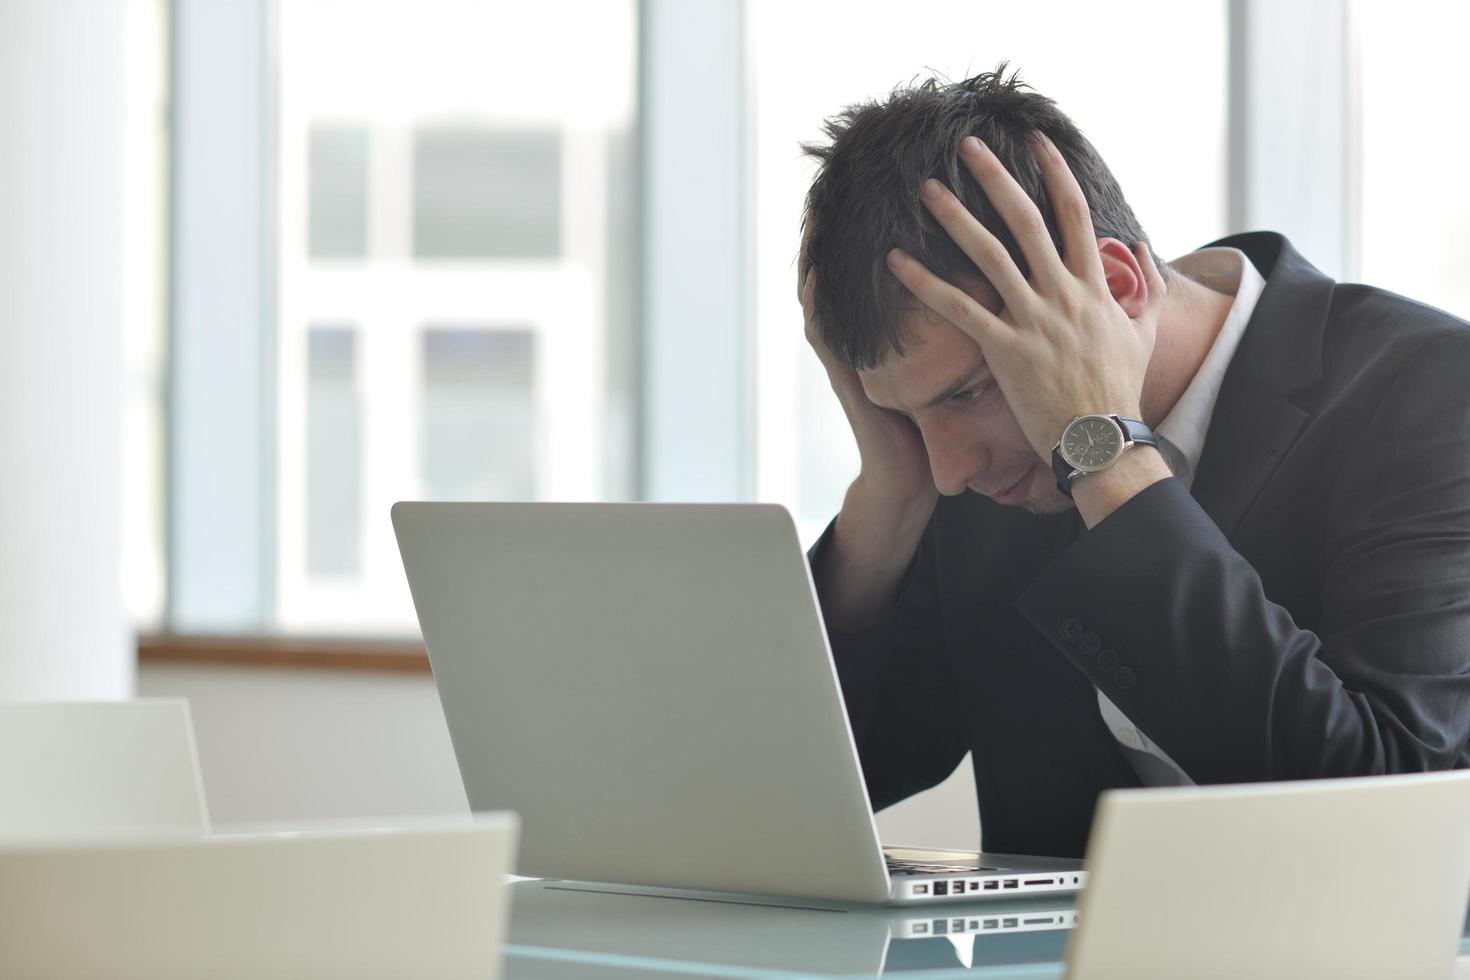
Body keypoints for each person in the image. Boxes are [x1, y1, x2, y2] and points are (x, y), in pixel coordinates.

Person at [799, 67, 1470, 858]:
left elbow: (1381, 809)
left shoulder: (1434, 393)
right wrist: (883, 511)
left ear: (1115, 289)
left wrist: (1101, 449)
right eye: (901, 414)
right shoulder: (962, 467)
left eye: (966, 393)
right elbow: (789, 807)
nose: (950, 470)